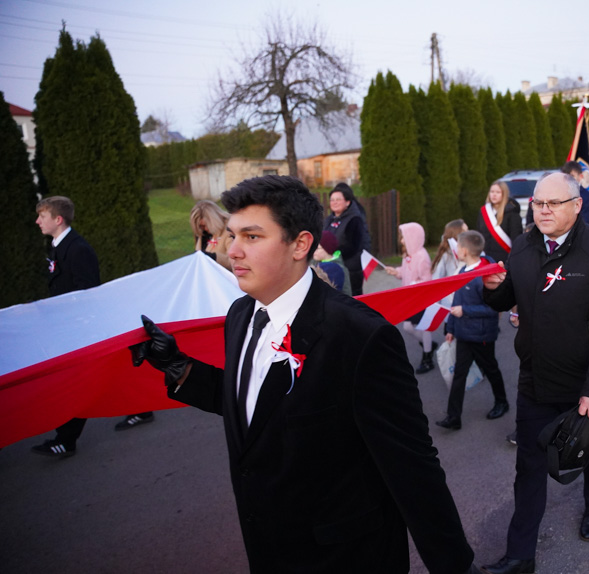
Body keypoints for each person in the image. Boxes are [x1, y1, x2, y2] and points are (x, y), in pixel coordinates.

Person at [131, 175, 479, 574]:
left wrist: (455, 565)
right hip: (268, 548)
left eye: (252, 237)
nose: (233, 251)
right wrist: (180, 368)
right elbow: (258, 412)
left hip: (346, 557)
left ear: (300, 244)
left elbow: (412, 465)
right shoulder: (240, 315)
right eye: (231, 235)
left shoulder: (361, 337)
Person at [481, 172, 589, 573]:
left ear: (577, 205)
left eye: (553, 204)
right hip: (535, 379)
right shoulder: (522, 246)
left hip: (586, 383)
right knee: (528, 466)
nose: (543, 211)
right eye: (537, 203)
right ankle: (520, 555)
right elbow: (505, 297)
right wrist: (493, 287)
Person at [30, 197, 154, 455]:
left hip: (80, 329)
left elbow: (87, 293)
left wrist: (75, 326)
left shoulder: (77, 249)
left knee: (77, 383)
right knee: (105, 376)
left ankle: (66, 440)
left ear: (58, 219)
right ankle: (142, 409)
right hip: (68, 328)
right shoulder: (57, 247)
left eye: (42, 216)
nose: (37, 221)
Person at [435, 231, 509, 430]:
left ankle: (502, 402)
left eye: (458, 247)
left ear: (465, 250)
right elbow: (456, 302)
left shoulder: (485, 275)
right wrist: (450, 328)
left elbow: (493, 309)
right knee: (459, 373)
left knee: (491, 368)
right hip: (463, 333)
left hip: (482, 335)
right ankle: (453, 417)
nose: (456, 250)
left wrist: (465, 311)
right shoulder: (462, 271)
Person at [385, 223, 436, 374]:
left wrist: (414, 284)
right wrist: (397, 271)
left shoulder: (422, 257)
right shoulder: (409, 255)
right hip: (409, 298)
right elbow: (407, 272)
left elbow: (427, 280)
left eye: (404, 238)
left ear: (413, 238)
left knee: (423, 327)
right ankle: (428, 345)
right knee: (407, 326)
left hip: (420, 299)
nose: (401, 241)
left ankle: (427, 358)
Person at [323, 183, 371, 296]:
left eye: (338, 199)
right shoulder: (329, 220)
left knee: (352, 297)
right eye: (332, 200)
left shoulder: (354, 220)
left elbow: (353, 246)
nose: (334, 202)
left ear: (347, 202)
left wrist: (331, 253)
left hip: (350, 268)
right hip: (331, 264)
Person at [477, 181, 522, 264]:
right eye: (492, 192)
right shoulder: (484, 211)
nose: (494, 195)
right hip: (487, 258)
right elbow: (480, 233)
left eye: (498, 192)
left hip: (505, 258)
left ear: (504, 194)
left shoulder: (512, 213)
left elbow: (516, 238)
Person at [432, 219, 468, 308]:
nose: (468, 234)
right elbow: (437, 279)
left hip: (467, 300)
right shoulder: (446, 255)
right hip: (449, 302)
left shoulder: (470, 252)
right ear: (456, 234)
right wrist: (435, 304)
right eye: (464, 231)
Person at [190, 200, 233, 271]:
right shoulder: (203, 234)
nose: (204, 229)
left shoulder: (230, 230)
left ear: (214, 221)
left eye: (204, 226)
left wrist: (212, 257)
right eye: (200, 227)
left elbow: (234, 262)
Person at [312, 230, 351, 295]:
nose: (314, 250)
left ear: (327, 250)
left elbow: (347, 294)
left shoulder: (341, 269)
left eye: (317, 248)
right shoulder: (313, 262)